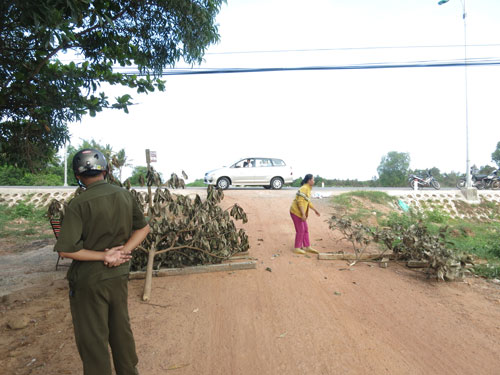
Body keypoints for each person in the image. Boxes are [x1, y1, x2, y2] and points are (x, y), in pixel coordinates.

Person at [54, 148, 150, 375]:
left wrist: (104, 255)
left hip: (89, 281)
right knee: (120, 330)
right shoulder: (124, 194)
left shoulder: (78, 204)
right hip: (118, 276)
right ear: (106, 171)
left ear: (78, 176)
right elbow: (143, 227)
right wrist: (122, 253)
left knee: (93, 338)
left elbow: (65, 250)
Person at [290, 174, 320, 254]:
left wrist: (315, 210)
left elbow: (307, 202)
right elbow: (300, 202)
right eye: (313, 179)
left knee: (305, 229)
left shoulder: (308, 188)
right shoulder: (304, 188)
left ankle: (307, 246)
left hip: (300, 212)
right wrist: (303, 214)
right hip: (296, 212)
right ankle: (297, 248)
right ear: (309, 180)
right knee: (301, 230)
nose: (314, 181)